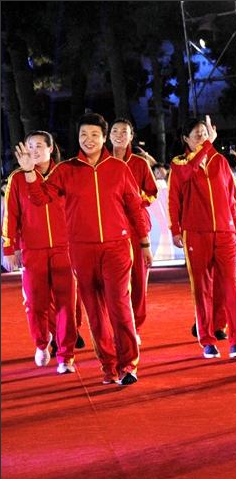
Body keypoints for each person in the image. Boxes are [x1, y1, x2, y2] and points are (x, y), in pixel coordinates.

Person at [22, 113, 151, 385]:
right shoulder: (66, 170)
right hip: (81, 251)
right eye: (83, 135)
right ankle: (109, 366)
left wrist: (144, 243)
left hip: (117, 248)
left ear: (104, 138)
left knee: (119, 305)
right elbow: (40, 198)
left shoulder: (119, 168)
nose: (88, 140)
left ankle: (128, 365)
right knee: (94, 311)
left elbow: (135, 208)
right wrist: (30, 173)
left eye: (94, 135)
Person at [169, 116, 236, 359]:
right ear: (186, 139)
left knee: (231, 285)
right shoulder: (180, 164)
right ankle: (207, 340)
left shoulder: (220, 161)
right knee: (202, 288)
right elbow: (174, 199)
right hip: (195, 234)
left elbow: (233, 195)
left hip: (225, 232)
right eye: (196, 135)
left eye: (204, 133)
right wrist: (175, 229)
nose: (202, 138)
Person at [3, 131, 78, 374]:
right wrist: (9, 248)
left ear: (50, 148)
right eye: (30, 146)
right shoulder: (17, 178)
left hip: (64, 248)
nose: (34, 151)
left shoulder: (65, 173)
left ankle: (65, 355)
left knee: (67, 303)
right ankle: (42, 343)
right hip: (32, 250)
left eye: (38, 146)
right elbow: (11, 215)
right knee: (35, 303)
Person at [109, 118, 159, 344]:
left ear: (131, 136)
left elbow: (152, 192)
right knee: (113, 282)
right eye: (115, 131)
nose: (119, 135)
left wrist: (136, 201)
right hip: (110, 229)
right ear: (108, 135)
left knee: (138, 280)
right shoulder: (101, 162)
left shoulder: (140, 163)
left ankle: (135, 325)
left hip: (137, 229)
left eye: (124, 132)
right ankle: (117, 326)